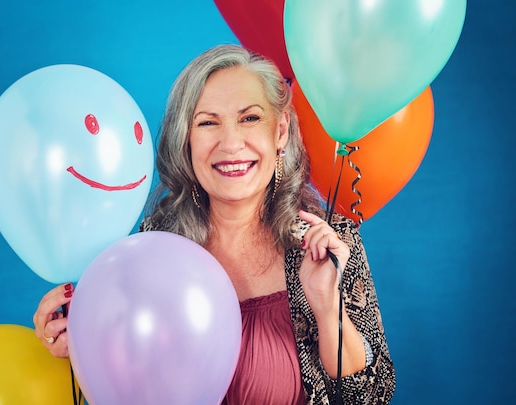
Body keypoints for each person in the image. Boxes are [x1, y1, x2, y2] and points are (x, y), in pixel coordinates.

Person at [33, 44, 396, 404]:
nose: (231, 143)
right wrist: (83, 344)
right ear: (186, 139)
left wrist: (326, 306)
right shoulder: (152, 247)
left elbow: (372, 397)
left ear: (281, 130)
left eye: (250, 118)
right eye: (207, 123)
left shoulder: (328, 243)